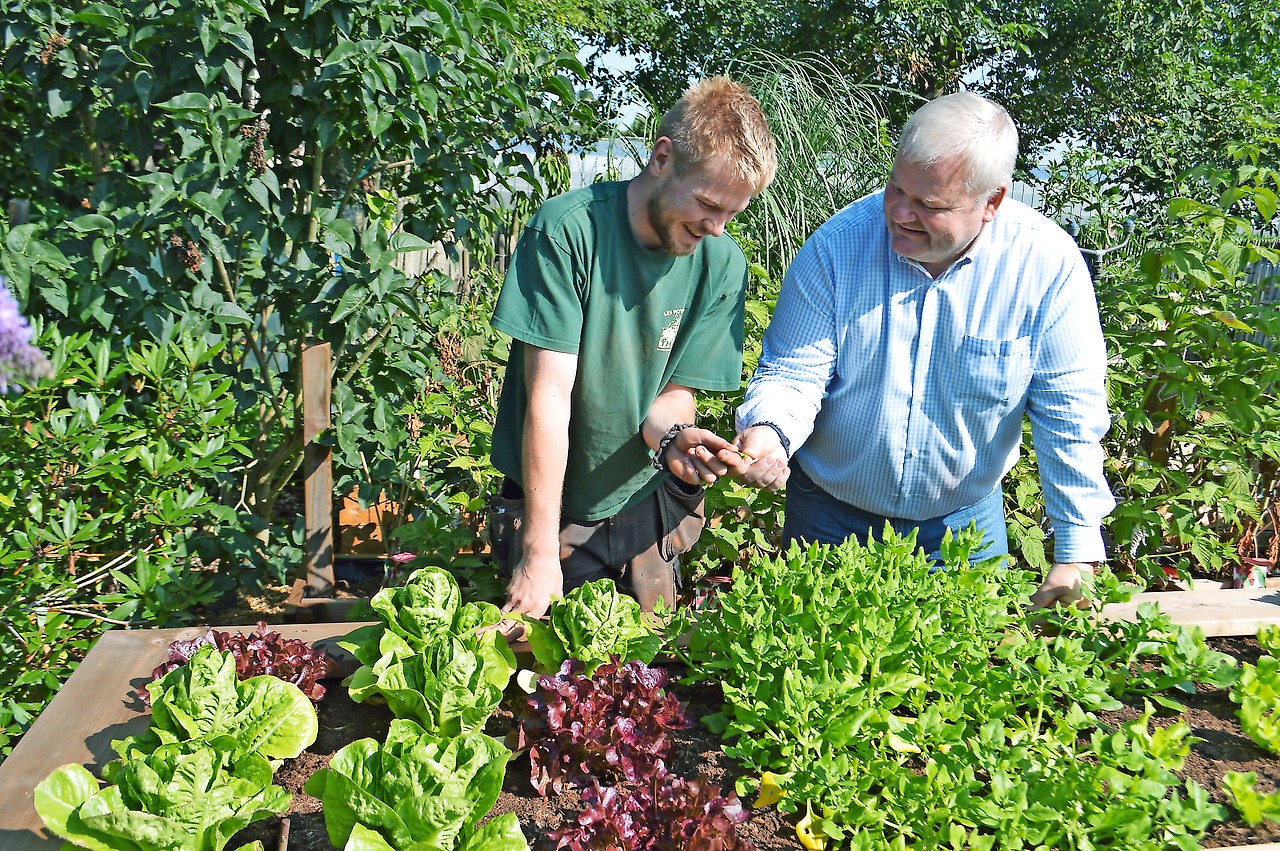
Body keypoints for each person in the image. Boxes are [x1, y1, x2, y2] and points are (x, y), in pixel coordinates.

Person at [731, 91, 1115, 608]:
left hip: (962, 533)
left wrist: (1075, 553)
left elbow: (1068, 413)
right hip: (829, 517)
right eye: (896, 189)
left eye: (930, 205)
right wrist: (769, 432)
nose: (900, 213)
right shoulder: (838, 247)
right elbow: (794, 371)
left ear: (992, 203)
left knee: (968, 679)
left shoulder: (1046, 268)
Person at [487, 77, 784, 625]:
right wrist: (538, 551)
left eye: (732, 214)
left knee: (646, 674)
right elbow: (548, 398)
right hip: (553, 500)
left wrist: (674, 437)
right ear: (662, 157)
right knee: (543, 665)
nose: (715, 228)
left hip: (645, 502)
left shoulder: (721, 265)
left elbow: (671, 396)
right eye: (706, 203)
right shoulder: (570, 231)